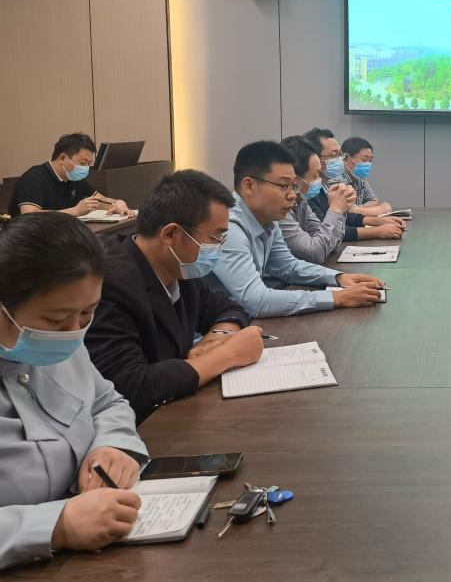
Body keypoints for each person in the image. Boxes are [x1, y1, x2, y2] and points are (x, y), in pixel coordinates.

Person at [0, 212, 148, 569]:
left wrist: (111, 445)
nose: (72, 332)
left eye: (87, 313)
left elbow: (106, 401)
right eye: (55, 320)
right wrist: (55, 526)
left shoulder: (61, 343)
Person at [85, 170, 264, 423]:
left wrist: (216, 338)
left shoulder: (178, 266)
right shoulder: (111, 284)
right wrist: (228, 354)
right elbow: (130, 386)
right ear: (171, 234)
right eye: (215, 237)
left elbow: (228, 308)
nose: (219, 246)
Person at [208, 141, 386, 318]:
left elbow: (288, 266)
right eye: (284, 186)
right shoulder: (227, 228)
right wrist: (337, 297)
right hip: (217, 327)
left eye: (293, 186)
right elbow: (258, 302)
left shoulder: (268, 217)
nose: (293, 194)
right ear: (249, 186)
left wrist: (338, 277)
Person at [280, 136, 403, 264]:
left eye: (340, 155)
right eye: (316, 175)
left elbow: (331, 242)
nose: (340, 160)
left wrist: (339, 210)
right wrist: (336, 209)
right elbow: (316, 252)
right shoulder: (282, 209)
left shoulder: (301, 201)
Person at [8, 133, 134, 218]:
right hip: (27, 243)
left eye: (89, 164)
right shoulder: (34, 178)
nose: (85, 168)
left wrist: (116, 203)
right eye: (82, 163)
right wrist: (76, 211)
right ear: (63, 158)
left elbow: (99, 200)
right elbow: (30, 216)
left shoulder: (74, 177)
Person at [303, 128, 405, 230]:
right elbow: (334, 225)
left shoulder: (356, 179)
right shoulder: (323, 185)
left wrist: (374, 219)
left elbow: (347, 216)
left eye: (340, 154)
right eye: (334, 155)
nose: (340, 159)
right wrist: (377, 229)